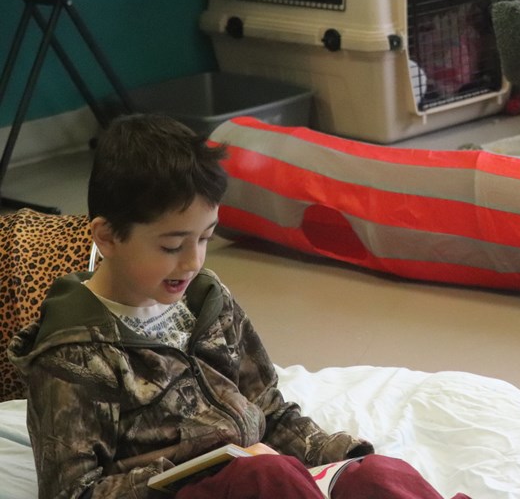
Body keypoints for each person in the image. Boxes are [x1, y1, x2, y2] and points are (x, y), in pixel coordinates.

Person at [8, 114, 469, 499]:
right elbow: (74, 492)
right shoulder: (72, 352)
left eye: (206, 238)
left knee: (376, 476)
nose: (193, 261)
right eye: (171, 246)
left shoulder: (206, 299)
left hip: (263, 477)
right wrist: (206, 472)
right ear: (107, 237)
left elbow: (269, 407)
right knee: (266, 478)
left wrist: (340, 457)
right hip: (200, 490)